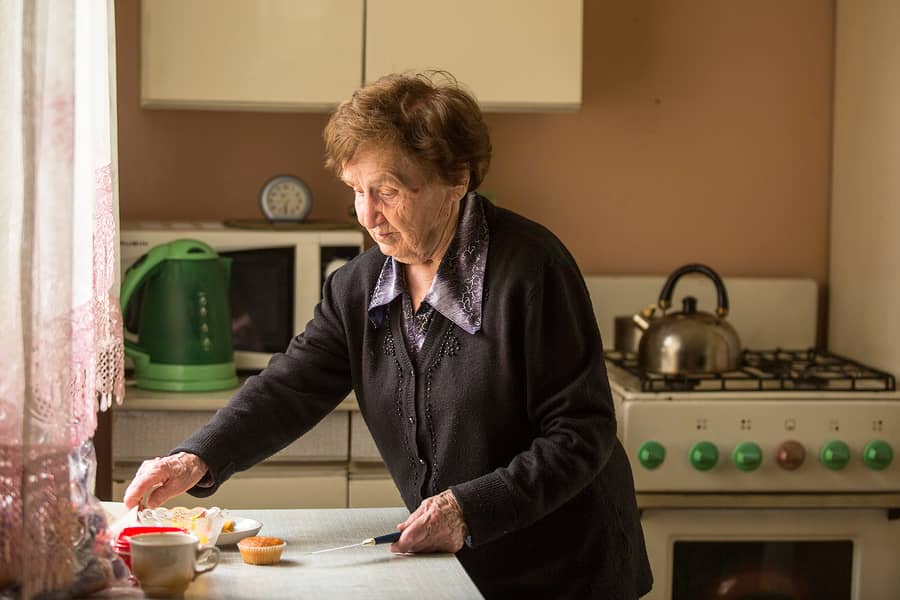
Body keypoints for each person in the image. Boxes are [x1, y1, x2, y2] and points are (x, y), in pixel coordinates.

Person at [124, 71, 653, 599]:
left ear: (457, 180)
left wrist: (468, 508)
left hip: (567, 573)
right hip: (458, 572)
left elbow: (582, 434)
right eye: (357, 190)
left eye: (390, 191)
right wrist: (196, 458)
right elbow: (290, 387)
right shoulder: (359, 287)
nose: (368, 216)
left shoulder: (532, 272)